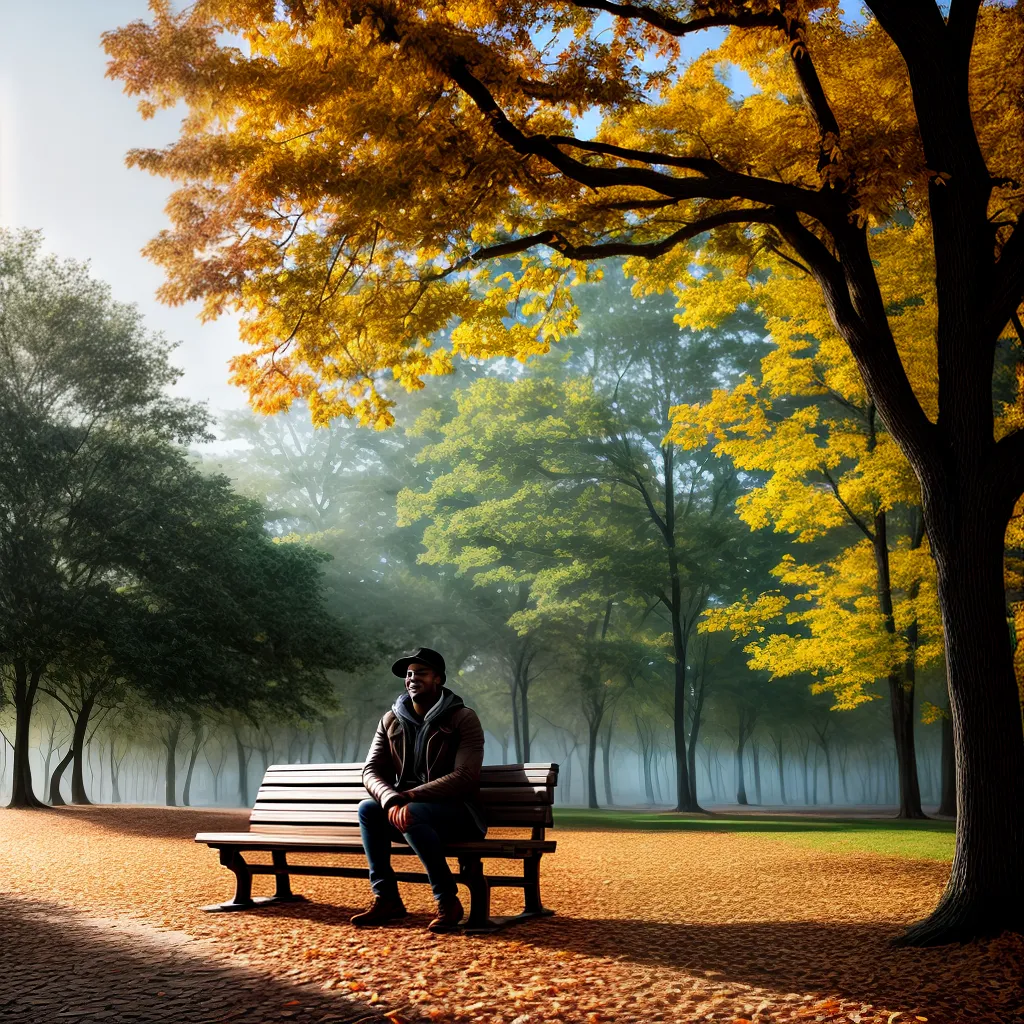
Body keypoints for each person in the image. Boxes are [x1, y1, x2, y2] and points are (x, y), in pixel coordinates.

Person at [352, 646, 486, 931]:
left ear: (439, 678)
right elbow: (370, 770)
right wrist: (390, 798)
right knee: (368, 808)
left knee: (411, 812)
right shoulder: (390, 719)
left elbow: (465, 776)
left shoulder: (463, 718)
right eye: (409, 674)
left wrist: (411, 795)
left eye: (421, 673)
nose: (412, 678)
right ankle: (386, 898)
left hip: (459, 813)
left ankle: (447, 899)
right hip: (408, 810)